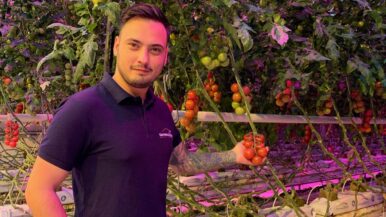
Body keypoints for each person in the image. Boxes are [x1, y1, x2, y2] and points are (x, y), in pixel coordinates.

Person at [25, 3, 256, 217]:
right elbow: (38, 189)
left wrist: (234, 155)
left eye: (155, 50)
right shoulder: (82, 109)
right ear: (116, 46)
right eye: (134, 45)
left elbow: (184, 164)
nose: (143, 59)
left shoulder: (161, 112)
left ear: (165, 57)